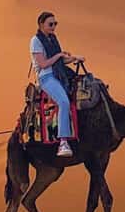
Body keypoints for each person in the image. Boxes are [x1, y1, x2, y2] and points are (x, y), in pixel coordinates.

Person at [30, 11, 84, 157]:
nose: (54, 27)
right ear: (41, 24)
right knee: (63, 101)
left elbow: (59, 61)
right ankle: (63, 142)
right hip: (46, 77)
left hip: (59, 73)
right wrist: (59, 55)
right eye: (51, 24)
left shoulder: (52, 38)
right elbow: (43, 64)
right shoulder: (36, 40)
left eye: (55, 24)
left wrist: (73, 58)